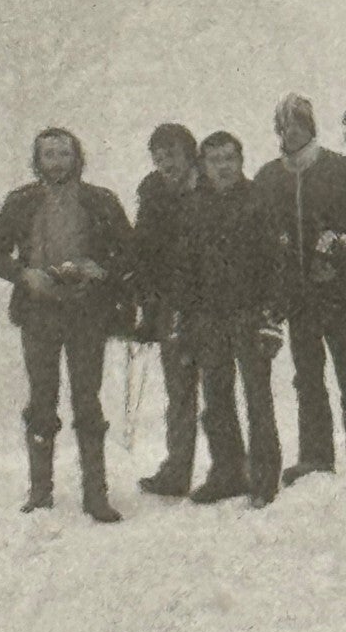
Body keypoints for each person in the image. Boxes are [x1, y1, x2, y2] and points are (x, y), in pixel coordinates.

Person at [0, 128, 134, 522]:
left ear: (77, 157)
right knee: (41, 397)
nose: (57, 162)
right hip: (39, 311)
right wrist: (23, 274)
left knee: (88, 397)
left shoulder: (100, 201)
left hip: (87, 312)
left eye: (64, 154)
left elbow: (131, 252)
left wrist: (99, 270)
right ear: (37, 160)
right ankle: (40, 490)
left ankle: (96, 494)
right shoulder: (21, 202)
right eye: (49, 154)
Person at [169, 132, 286, 506]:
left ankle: (265, 480)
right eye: (215, 159)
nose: (223, 167)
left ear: (241, 161)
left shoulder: (260, 201)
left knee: (258, 398)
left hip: (251, 314)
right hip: (208, 318)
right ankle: (227, 473)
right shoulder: (192, 206)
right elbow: (184, 269)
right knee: (216, 398)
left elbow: (278, 264)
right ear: (203, 164)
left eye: (230, 158)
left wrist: (272, 316)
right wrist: (185, 320)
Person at [251, 93, 346, 486]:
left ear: (312, 127)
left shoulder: (338, 169)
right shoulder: (269, 177)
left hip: (339, 294)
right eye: (285, 125)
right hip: (297, 298)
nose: (292, 132)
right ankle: (316, 457)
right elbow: (258, 233)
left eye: (300, 124)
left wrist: (338, 245)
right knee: (307, 376)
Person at [132, 123, 202, 498]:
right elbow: (142, 252)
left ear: (189, 153)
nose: (165, 164)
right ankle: (177, 471)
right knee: (180, 392)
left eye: (171, 155)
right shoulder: (152, 193)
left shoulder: (214, 186)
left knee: (224, 390)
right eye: (158, 158)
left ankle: (235, 466)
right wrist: (147, 304)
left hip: (216, 303)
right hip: (172, 305)